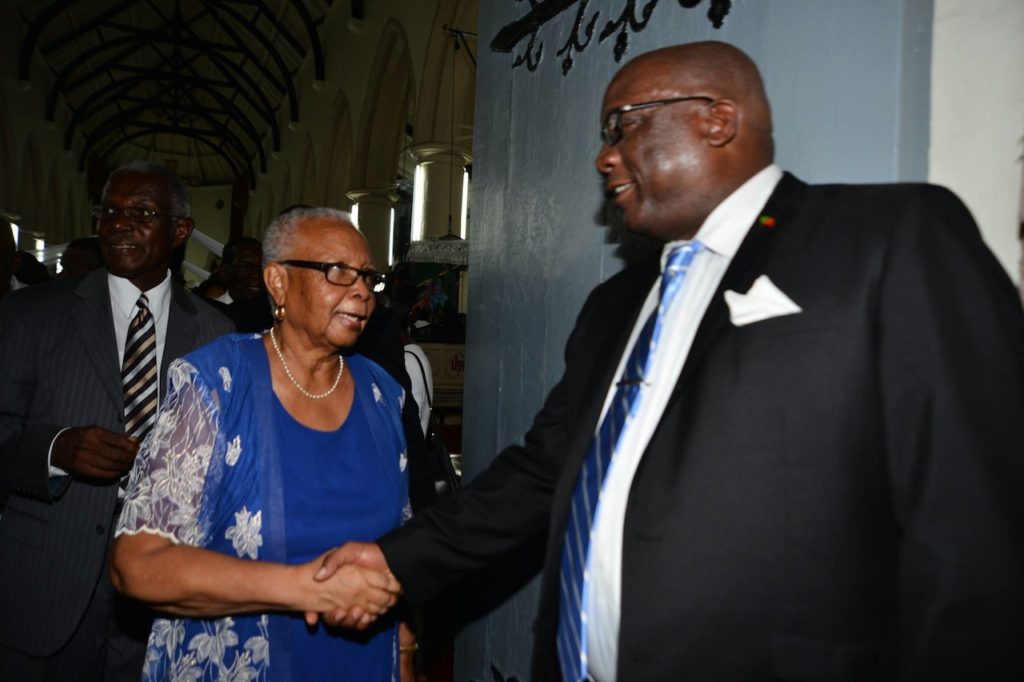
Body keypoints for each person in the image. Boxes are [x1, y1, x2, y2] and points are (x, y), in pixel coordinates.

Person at [314, 41, 1024, 681]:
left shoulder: (885, 239)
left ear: (717, 119)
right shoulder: (615, 305)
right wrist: (396, 558)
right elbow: (544, 472)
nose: (603, 156)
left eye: (623, 124)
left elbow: (976, 524)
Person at [109, 207, 414, 681]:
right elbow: (138, 565)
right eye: (337, 272)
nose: (360, 291)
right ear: (277, 282)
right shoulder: (215, 386)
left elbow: (398, 546)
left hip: (365, 664)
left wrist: (407, 651)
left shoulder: (382, 394)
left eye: (367, 278)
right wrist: (308, 589)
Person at [0, 161, 234, 681]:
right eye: (110, 211)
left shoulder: (218, 334)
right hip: (48, 582)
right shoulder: (32, 313)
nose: (119, 224)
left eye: (142, 213)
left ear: (180, 231)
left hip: (164, 591)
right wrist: (56, 451)